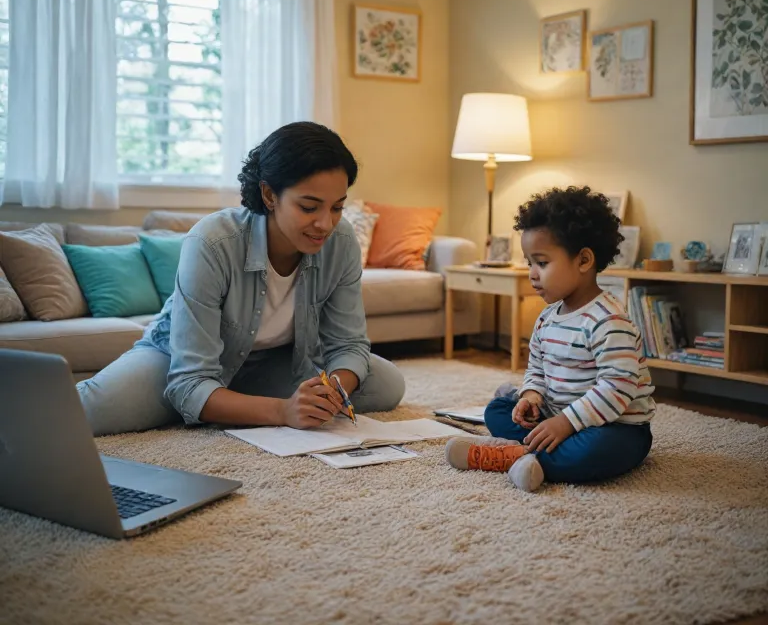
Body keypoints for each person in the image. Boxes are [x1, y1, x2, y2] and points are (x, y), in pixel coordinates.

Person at [78, 122, 406, 436]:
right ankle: (223, 402)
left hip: (275, 362)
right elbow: (189, 378)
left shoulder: (341, 240)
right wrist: (283, 412)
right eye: (309, 207)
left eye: (337, 207)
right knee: (87, 413)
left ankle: (229, 402)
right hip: (179, 358)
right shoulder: (211, 242)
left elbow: (348, 344)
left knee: (386, 384)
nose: (325, 223)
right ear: (269, 194)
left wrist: (332, 390)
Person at [445, 186, 655, 492]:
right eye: (530, 262)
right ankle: (534, 451)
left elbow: (617, 388)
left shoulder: (608, 320)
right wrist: (531, 397)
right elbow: (538, 370)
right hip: (556, 416)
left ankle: (511, 456)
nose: (531, 273)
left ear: (584, 260)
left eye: (541, 263)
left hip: (615, 426)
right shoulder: (547, 318)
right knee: (498, 410)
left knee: (598, 450)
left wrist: (567, 423)